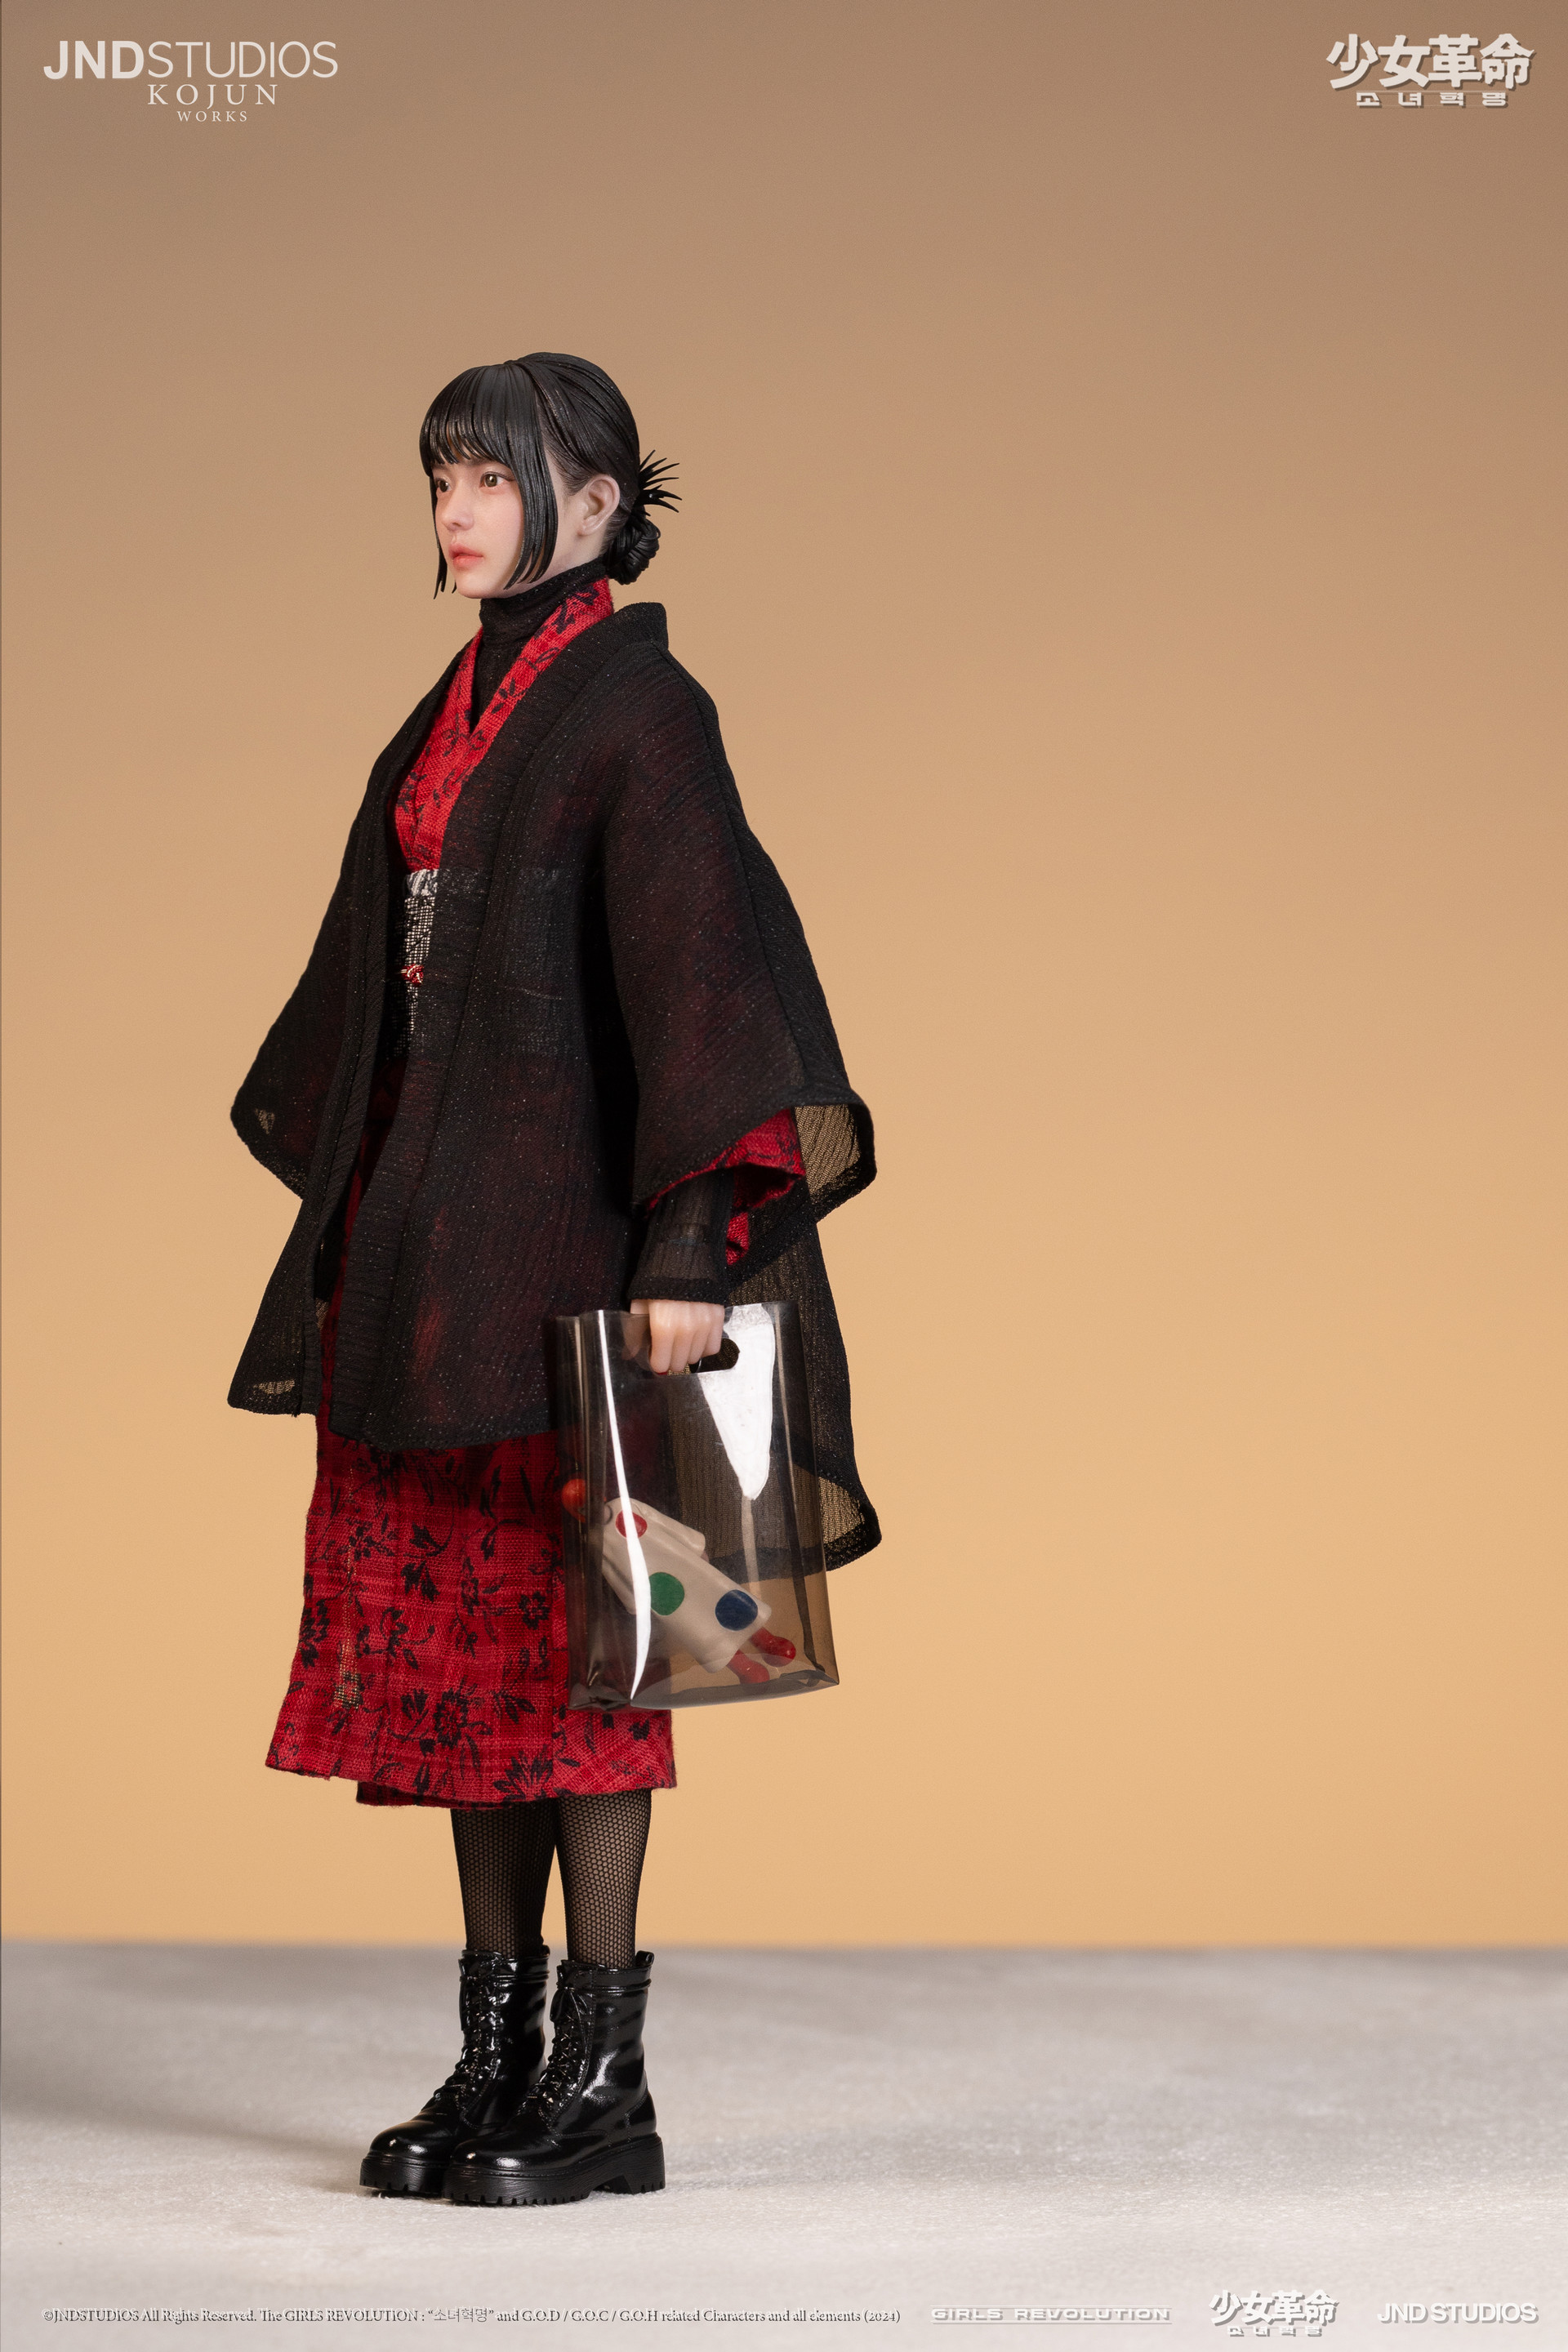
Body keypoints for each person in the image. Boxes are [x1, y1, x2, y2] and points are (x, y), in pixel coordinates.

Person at [229, 353, 878, 2207]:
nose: (458, 511)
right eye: (442, 476)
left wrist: (693, 1249)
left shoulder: (641, 707)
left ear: (595, 503)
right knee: (469, 1673)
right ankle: (494, 2053)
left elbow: (709, 977)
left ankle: (604, 2079)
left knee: (598, 1663)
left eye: (494, 479)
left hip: (586, 1266)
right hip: (439, 1265)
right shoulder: (454, 705)